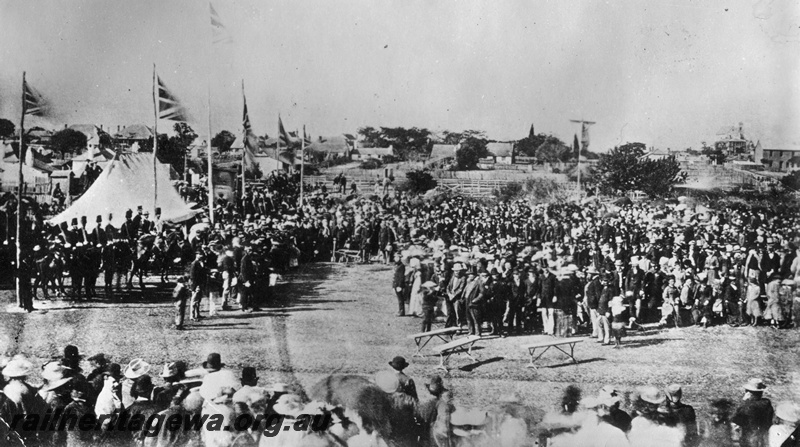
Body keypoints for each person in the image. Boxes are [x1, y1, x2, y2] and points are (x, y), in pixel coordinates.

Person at [732, 378, 775, 447]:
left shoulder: (747, 407)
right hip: (763, 439)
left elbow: (735, 419)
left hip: (749, 440)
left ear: (749, 393)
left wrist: (743, 401)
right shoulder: (767, 402)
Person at [189, 250, 207, 321]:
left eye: (202, 254)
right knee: (194, 300)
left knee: (198, 300)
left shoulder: (201, 263)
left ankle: (197, 314)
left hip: (200, 283)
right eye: (199, 254)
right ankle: (192, 316)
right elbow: (192, 276)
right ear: (196, 255)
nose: (201, 256)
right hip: (196, 284)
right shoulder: (194, 263)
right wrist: (195, 286)